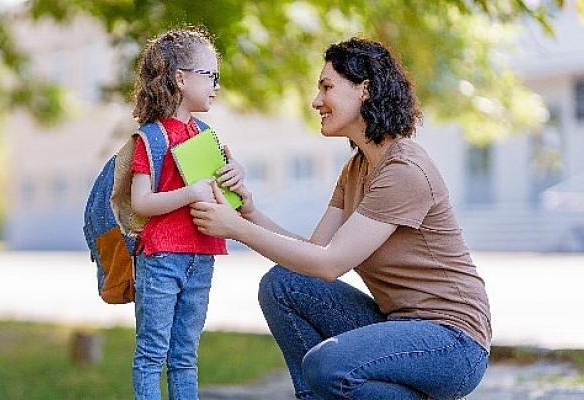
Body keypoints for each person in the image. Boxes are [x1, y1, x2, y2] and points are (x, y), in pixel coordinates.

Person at [189, 37, 491, 400]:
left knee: (325, 365)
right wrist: (247, 213)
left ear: (364, 90)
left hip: (452, 343)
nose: (317, 101)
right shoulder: (357, 168)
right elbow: (315, 252)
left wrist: (235, 228)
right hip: (398, 326)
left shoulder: (404, 170)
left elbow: (329, 264)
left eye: (327, 87)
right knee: (284, 285)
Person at [129, 28, 246, 400]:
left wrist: (235, 175)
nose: (216, 85)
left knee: (185, 356)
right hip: (162, 258)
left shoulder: (207, 135)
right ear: (181, 79)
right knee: (152, 353)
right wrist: (188, 193)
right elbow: (141, 203)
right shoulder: (151, 137)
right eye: (210, 76)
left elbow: (225, 196)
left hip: (202, 256)